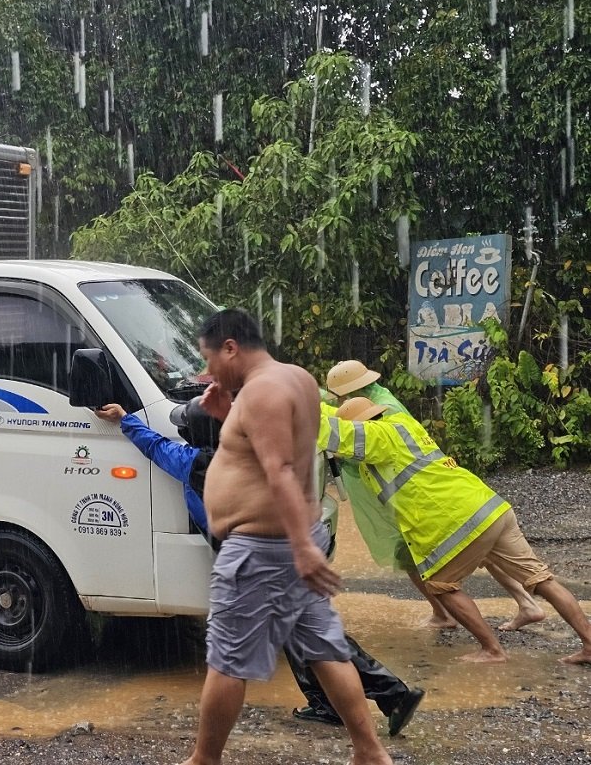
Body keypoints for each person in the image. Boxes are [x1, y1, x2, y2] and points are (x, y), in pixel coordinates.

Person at [94, 396, 424, 736]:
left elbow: (156, 446)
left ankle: (393, 694)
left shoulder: (196, 463)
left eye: (186, 428)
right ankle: (332, 703)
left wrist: (125, 419)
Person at [175, 308, 391, 765]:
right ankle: (369, 751)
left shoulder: (263, 392)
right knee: (323, 647)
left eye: (210, 359)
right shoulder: (293, 379)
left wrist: (301, 548)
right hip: (287, 543)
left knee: (228, 658)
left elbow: (281, 470)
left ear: (231, 347)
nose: (207, 371)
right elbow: (275, 446)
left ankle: (203, 760)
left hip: (262, 549)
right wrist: (227, 412)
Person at [322, 396, 591, 665]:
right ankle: (589, 644)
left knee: (440, 586)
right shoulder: (402, 422)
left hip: (458, 520)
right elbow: (339, 421)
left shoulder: (376, 437)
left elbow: (334, 431)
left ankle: (492, 650)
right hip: (490, 507)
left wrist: (290, 402)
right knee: (542, 579)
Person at [325, 360, 545, 631]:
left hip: (418, 497)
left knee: (428, 557)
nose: (339, 400)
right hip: (424, 494)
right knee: (483, 548)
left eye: (339, 395)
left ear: (348, 390)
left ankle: (453, 616)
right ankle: (523, 602)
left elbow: (367, 447)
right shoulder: (376, 398)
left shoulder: (381, 409)